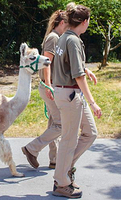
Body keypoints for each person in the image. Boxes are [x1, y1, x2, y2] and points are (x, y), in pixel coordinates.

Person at [52, 2, 102, 198]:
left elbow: (69, 66)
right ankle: (62, 183)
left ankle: (64, 168)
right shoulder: (73, 41)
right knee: (68, 140)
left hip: (66, 93)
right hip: (71, 95)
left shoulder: (65, 37)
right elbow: (77, 76)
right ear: (84, 21)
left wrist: (85, 69)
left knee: (90, 132)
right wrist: (92, 101)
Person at [21, 10, 68, 169]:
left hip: (51, 85)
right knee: (61, 125)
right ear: (62, 23)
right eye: (68, 24)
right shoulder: (54, 38)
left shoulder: (56, 37)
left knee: (54, 123)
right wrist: (49, 85)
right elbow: (47, 62)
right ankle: (31, 149)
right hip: (50, 85)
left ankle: (55, 159)